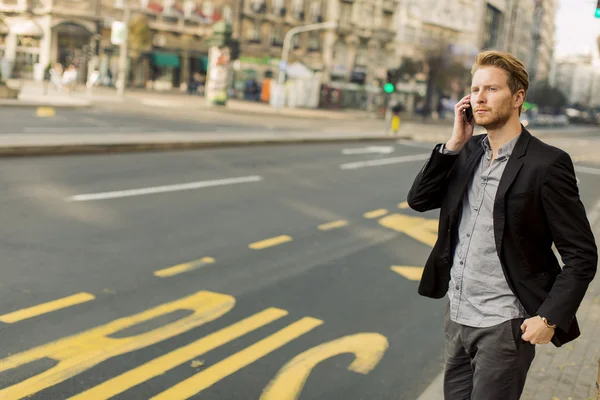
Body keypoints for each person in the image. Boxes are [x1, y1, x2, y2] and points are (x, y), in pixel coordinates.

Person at [407, 50, 597, 400]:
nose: (480, 97)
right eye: (475, 89)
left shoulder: (547, 164)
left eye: (491, 89)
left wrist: (549, 318)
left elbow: (582, 255)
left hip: (504, 326)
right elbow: (419, 199)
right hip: (458, 315)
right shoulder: (467, 151)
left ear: (518, 97)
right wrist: (454, 142)